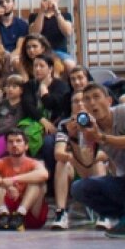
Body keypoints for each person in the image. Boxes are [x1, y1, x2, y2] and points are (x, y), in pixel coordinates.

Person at [70, 83, 125, 237]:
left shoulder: (122, 112)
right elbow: (87, 167)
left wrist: (102, 138)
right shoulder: (87, 128)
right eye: (87, 99)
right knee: (79, 188)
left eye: (96, 97)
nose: (92, 102)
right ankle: (121, 217)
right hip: (122, 181)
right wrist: (74, 139)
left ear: (109, 101)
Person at [51, 88, 106, 230]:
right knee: (61, 163)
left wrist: (83, 156)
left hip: (97, 169)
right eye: (76, 101)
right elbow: (58, 153)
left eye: (84, 100)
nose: (80, 104)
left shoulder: (99, 122)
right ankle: (61, 213)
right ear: (71, 105)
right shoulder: (65, 124)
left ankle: (105, 213)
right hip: (76, 168)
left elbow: (106, 154)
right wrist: (73, 137)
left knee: (98, 160)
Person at [0, 127, 49, 230]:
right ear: (6, 147)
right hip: (8, 208)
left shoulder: (34, 163)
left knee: (38, 182)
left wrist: (14, 180)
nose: (14, 145)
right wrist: (3, 183)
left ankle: (20, 215)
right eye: (11, 142)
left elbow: (44, 174)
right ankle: (4, 215)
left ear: (26, 146)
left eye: (18, 141)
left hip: (29, 211)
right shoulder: (1, 162)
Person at [28, 0, 75, 68]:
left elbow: (68, 32)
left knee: (70, 64)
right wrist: (41, 12)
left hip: (59, 52)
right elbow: (34, 34)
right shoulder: (34, 16)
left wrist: (57, 12)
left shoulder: (66, 15)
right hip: (40, 52)